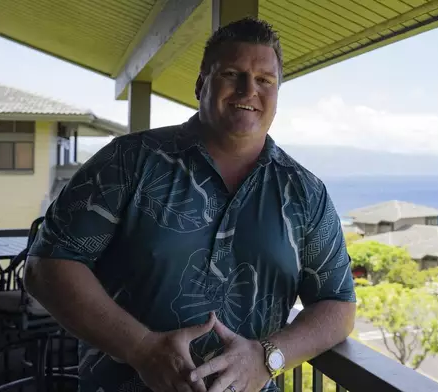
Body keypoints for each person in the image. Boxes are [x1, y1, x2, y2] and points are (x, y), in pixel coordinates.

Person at [25, 17, 356, 392]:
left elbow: (338, 305)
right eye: (232, 74)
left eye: (265, 80)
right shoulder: (130, 161)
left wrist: (268, 356)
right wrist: (141, 347)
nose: (249, 90)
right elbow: (48, 263)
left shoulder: (305, 193)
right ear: (201, 84)